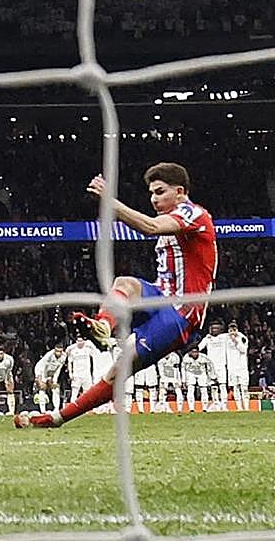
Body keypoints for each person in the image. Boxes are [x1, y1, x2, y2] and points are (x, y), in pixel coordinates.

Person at [16, 162, 217, 429]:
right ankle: (103, 325)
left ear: (179, 191)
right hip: (160, 296)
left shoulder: (194, 214)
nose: (153, 199)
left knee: (119, 370)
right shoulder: (174, 221)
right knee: (125, 282)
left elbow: (150, 227)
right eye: (151, 193)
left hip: (181, 312)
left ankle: (57, 418)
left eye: (160, 192)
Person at [198, 322, 232, 411]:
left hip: (221, 365)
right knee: (213, 386)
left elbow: (235, 334)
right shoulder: (207, 339)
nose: (214, 330)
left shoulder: (224, 337)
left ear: (220, 330)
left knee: (223, 385)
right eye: (213, 328)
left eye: (217, 328)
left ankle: (224, 405)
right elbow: (198, 348)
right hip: (211, 367)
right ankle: (216, 403)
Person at [181, 347, 215, 413]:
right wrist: (184, 380)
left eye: (196, 352)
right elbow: (183, 369)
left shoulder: (204, 357)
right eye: (193, 352)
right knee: (190, 389)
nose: (194, 354)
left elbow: (210, 366)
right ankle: (191, 408)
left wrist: (211, 376)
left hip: (201, 373)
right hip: (190, 373)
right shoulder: (186, 358)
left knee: (204, 390)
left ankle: (204, 408)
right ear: (190, 352)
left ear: (198, 352)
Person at [32, 346, 67, 412]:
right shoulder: (49, 355)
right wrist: (43, 380)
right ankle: (43, 410)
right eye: (57, 351)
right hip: (40, 370)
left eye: (60, 351)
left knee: (55, 388)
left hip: (52, 371)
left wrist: (55, 380)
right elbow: (44, 368)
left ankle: (56, 408)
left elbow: (59, 369)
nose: (59, 353)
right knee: (42, 388)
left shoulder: (64, 356)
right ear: (54, 350)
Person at [65, 337, 98, 402]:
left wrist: (89, 343)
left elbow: (96, 351)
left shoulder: (88, 349)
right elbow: (69, 362)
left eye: (81, 341)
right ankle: (73, 406)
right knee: (74, 393)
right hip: (76, 375)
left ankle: (87, 406)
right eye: (78, 341)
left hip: (87, 375)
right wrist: (70, 373)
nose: (80, 343)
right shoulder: (73, 350)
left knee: (87, 393)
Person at [229, 322, 251, 412]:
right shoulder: (227, 339)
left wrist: (236, 341)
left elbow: (243, 350)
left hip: (242, 368)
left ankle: (246, 407)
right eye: (231, 330)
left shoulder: (243, 338)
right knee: (235, 387)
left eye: (234, 330)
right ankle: (239, 407)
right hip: (232, 368)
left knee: (244, 388)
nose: (232, 332)